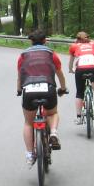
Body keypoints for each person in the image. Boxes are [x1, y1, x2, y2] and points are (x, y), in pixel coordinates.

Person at [16, 29, 68, 167]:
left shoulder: (23, 56)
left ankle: (29, 155)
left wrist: (19, 90)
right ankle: (54, 133)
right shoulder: (51, 54)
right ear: (45, 41)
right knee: (52, 113)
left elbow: (20, 76)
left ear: (31, 41)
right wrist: (63, 88)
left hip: (29, 90)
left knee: (28, 122)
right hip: (48, 88)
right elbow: (60, 74)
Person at [68, 31, 94, 124]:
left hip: (80, 69)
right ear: (88, 37)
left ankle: (79, 117)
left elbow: (71, 61)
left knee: (79, 93)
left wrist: (70, 70)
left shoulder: (74, 46)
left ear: (77, 39)